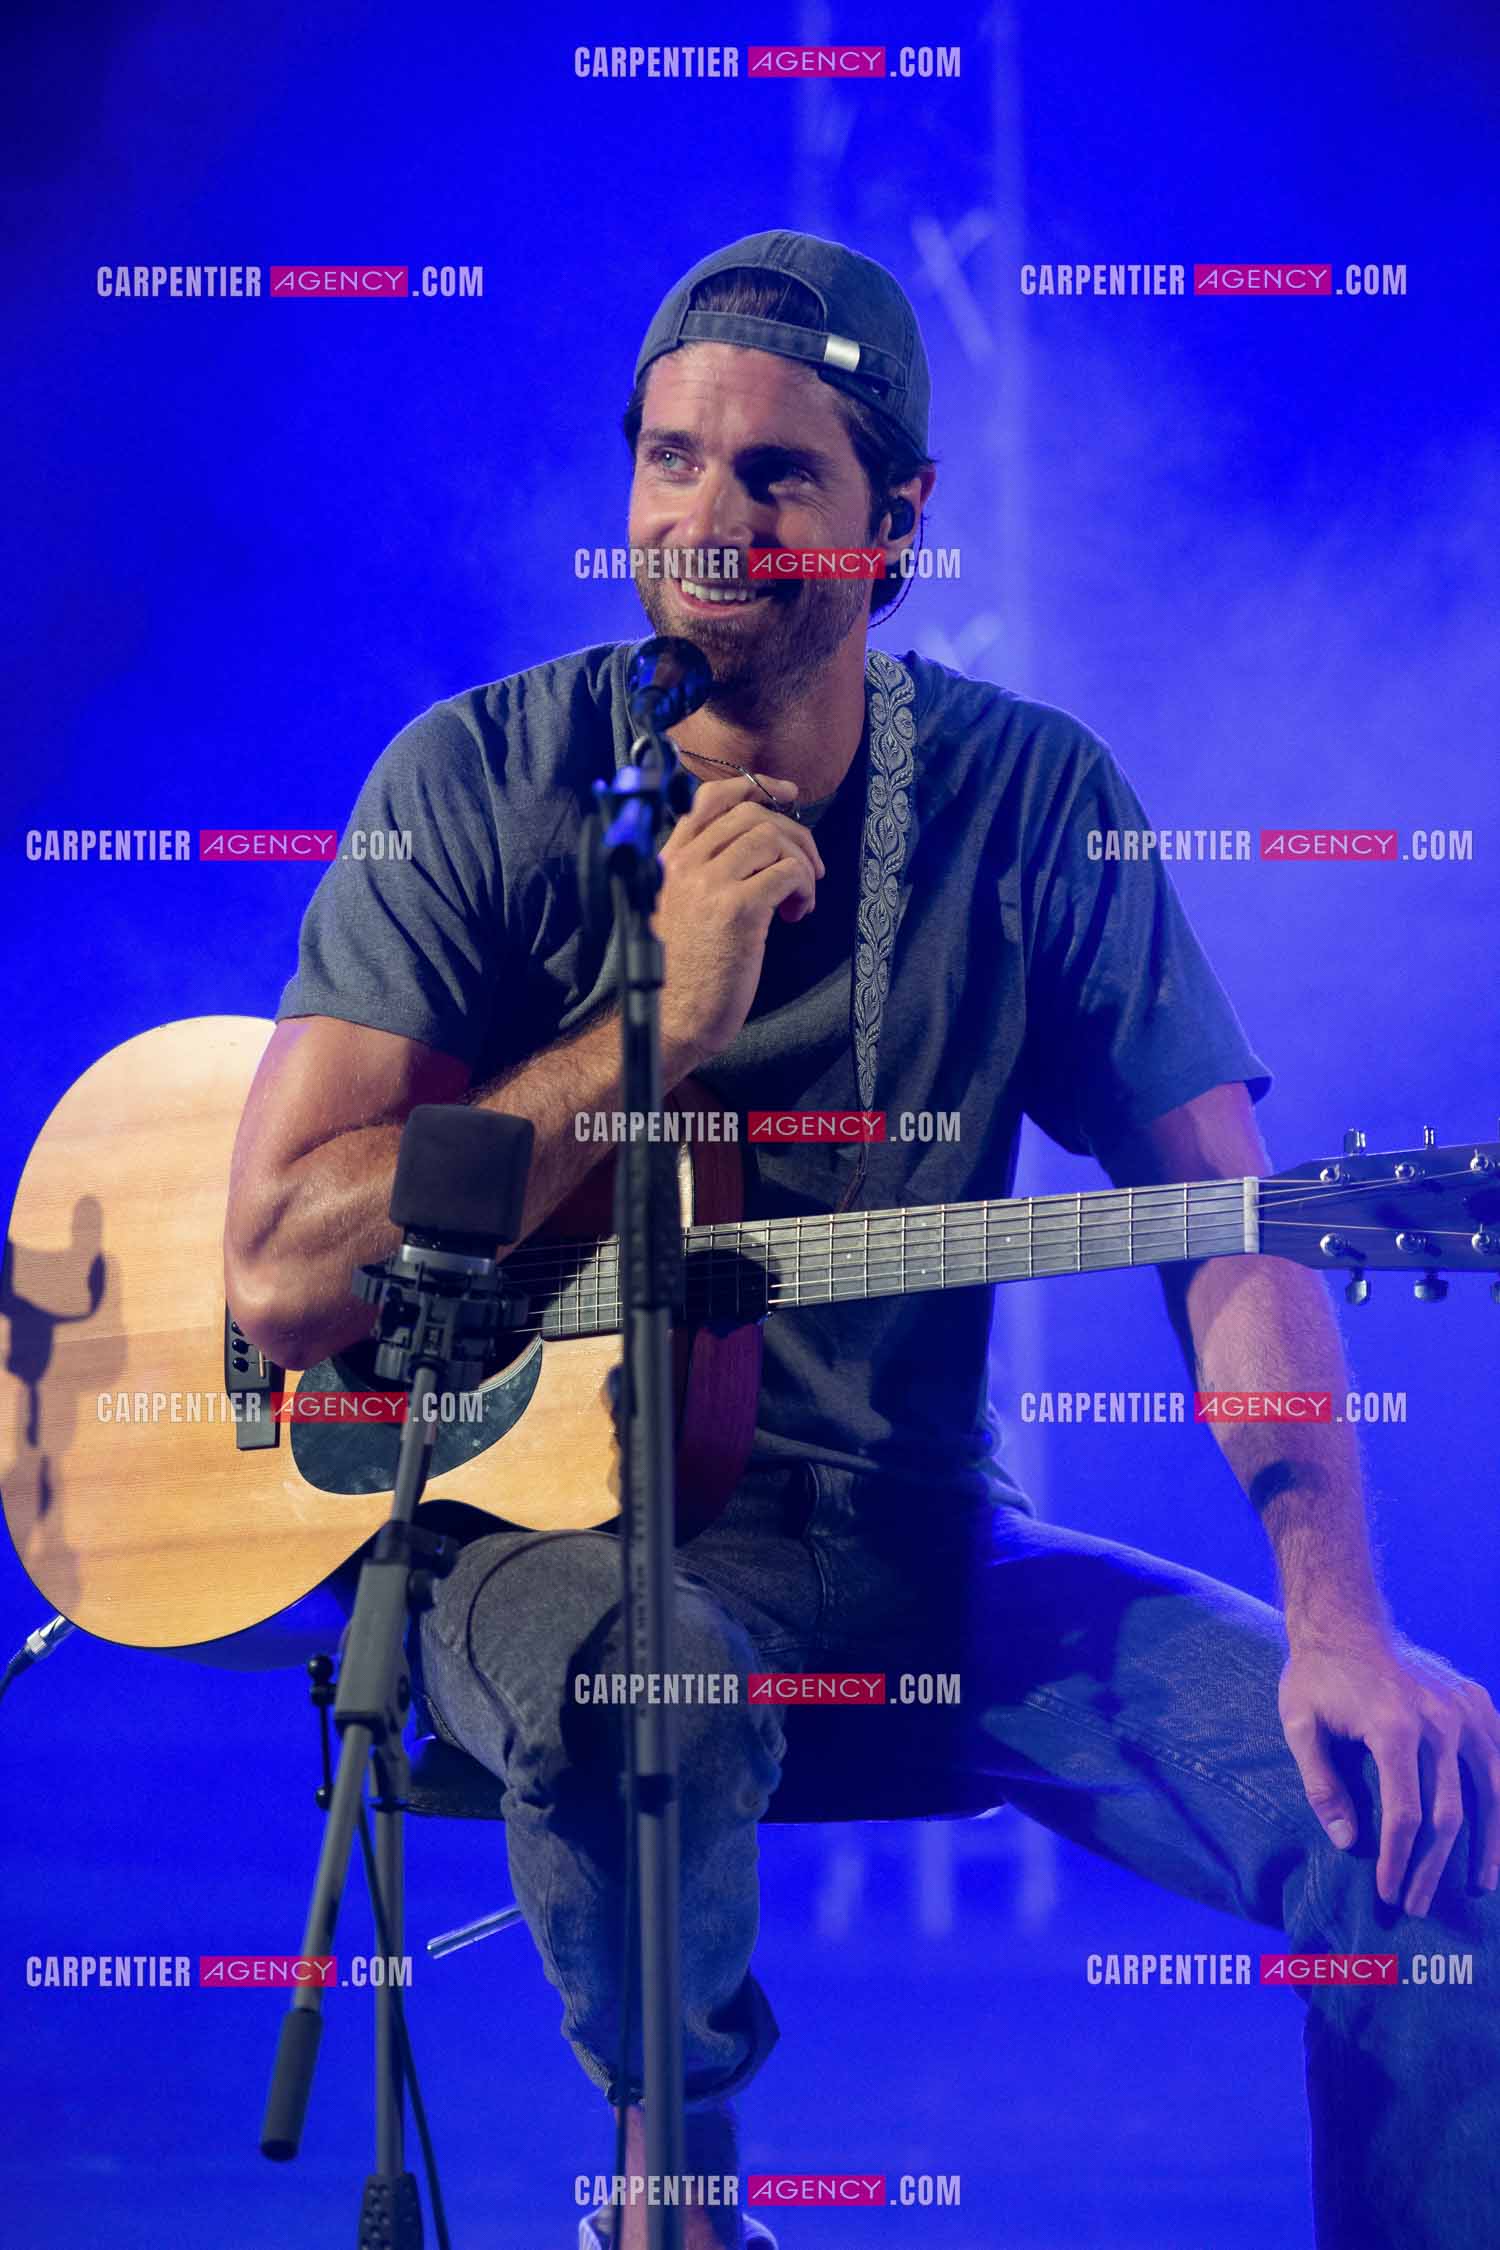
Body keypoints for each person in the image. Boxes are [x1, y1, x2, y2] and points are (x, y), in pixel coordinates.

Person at [224, 231, 1500, 2250]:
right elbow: (282, 1270)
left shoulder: (1029, 798)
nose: (706, 522)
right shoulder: (474, 786)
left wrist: (1341, 1620)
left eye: (775, 476)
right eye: (668, 460)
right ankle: (679, 2205)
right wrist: (655, 1011)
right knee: (643, 1679)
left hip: (914, 1551)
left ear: (898, 520)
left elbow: (1238, 1230)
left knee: (1431, 1846)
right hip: (543, 1549)